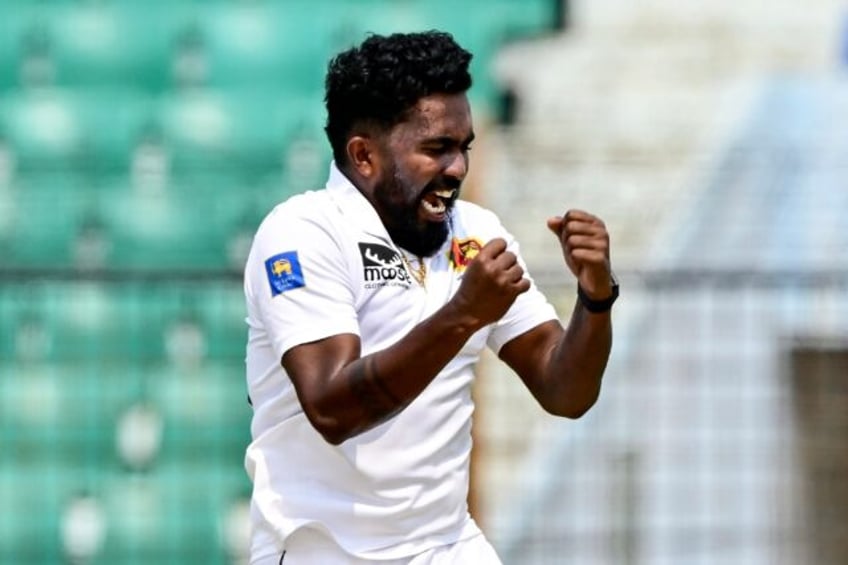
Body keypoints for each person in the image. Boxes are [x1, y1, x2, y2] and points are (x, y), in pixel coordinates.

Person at [242, 30, 617, 564]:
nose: (458, 169)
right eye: (436, 148)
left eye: (463, 147)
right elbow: (332, 409)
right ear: (363, 155)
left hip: (446, 546)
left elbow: (566, 392)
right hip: (320, 549)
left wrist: (595, 297)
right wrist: (464, 315)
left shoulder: (475, 232)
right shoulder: (302, 233)